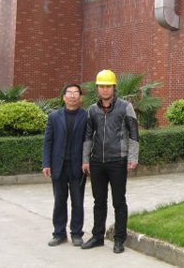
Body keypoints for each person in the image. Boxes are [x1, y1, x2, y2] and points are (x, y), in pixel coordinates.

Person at [81, 69, 139, 254]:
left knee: (119, 202)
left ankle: (119, 239)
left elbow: (134, 133)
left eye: (108, 86)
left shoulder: (125, 107)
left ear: (114, 87)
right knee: (99, 201)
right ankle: (97, 237)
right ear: (97, 88)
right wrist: (86, 159)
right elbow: (88, 136)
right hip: (97, 161)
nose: (105, 90)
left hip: (117, 161)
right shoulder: (92, 109)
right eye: (101, 86)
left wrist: (133, 157)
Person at [42, 83, 88, 247]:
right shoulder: (54, 116)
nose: (72, 96)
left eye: (76, 93)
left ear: (80, 97)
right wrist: (46, 163)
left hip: (78, 167)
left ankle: (77, 234)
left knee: (78, 202)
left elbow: (89, 141)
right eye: (69, 93)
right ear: (64, 97)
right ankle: (59, 234)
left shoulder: (86, 116)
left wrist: (87, 161)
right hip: (58, 166)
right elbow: (48, 141)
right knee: (59, 201)